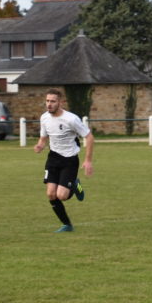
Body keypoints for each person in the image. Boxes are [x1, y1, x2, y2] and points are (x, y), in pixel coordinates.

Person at [34, 88, 94, 232]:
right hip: (53, 158)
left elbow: (89, 137)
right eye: (47, 101)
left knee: (61, 196)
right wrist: (40, 145)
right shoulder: (44, 118)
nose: (49, 104)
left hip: (69, 160)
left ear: (60, 102)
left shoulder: (71, 119)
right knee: (51, 194)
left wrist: (88, 160)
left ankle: (75, 185)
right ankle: (67, 225)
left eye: (53, 101)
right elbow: (43, 138)